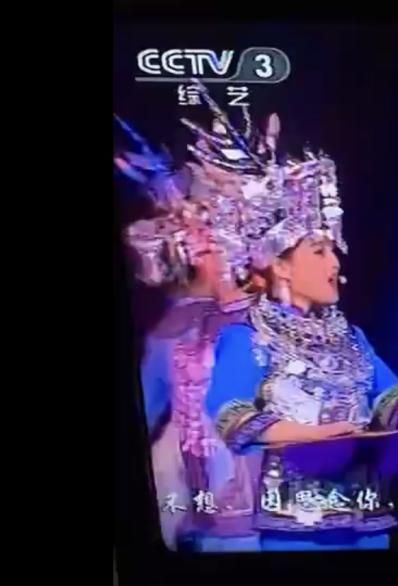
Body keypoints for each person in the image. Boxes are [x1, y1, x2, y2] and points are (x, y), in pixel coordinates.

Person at [182, 90, 398, 551]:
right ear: (280, 266)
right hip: (298, 522)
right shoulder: (249, 337)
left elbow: (390, 395)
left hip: (369, 518)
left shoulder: (349, 335)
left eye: (334, 250)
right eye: (319, 252)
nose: (335, 263)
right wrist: (312, 438)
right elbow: (231, 414)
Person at [115, 116, 262, 552]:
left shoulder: (276, 317)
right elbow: (148, 409)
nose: (208, 241)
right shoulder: (172, 330)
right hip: (193, 493)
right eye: (200, 230)